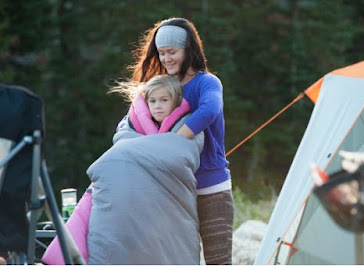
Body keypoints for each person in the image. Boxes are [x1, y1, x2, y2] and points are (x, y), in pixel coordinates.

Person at [42, 74, 196, 265]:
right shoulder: (130, 127)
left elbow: (182, 153)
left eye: (164, 100)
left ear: (176, 102)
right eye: (152, 101)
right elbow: (120, 149)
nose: (157, 106)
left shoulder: (188, 127)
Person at [122, 17, 234, 264]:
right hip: (173, 191)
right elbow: (136, 122)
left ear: (188, 50)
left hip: (211, 188)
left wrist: (173, 143)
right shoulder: (164, 89)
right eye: (161, 53)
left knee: (219, 261)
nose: (166, 59)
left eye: (172, 52)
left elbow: (209, 110)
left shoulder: (207, 83)